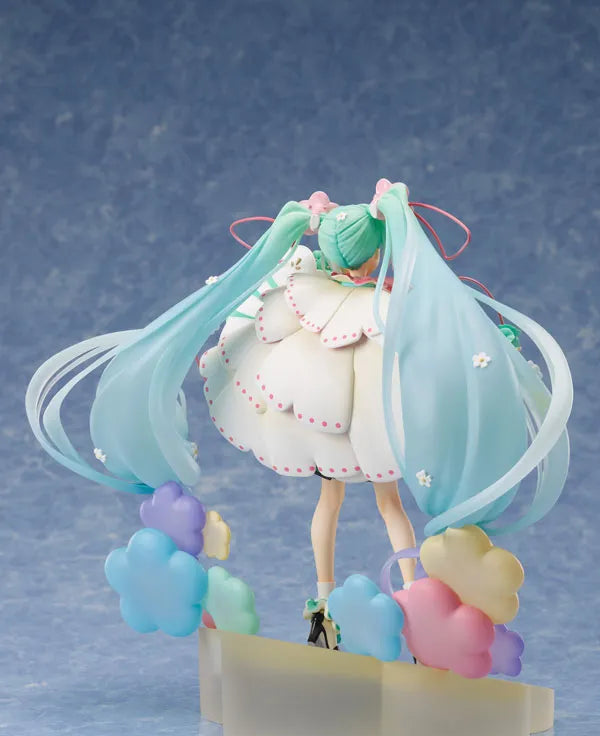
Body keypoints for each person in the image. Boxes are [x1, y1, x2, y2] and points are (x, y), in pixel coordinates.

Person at [26, 179, 573, 649]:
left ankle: (328, 603)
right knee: (386, 502)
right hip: (360, 421)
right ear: (372, 254)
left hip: (327, 413)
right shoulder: (376, 307)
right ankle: (407, 595)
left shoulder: (309, 297)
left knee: (333, 501)